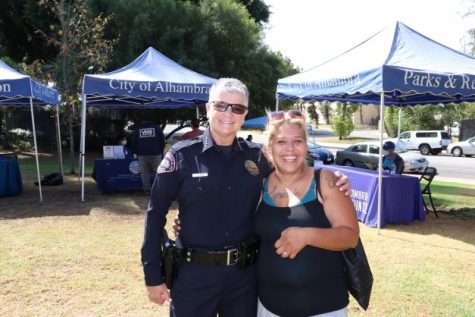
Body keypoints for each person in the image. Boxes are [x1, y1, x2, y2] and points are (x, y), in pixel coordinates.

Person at [141, 78, 352, 317]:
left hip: (244, 279)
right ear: (208, 109)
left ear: (244, 114)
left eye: (237, 108)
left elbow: (293, 169)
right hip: (193, 276)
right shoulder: (181, 157)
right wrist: (153, 277)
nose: (228, 113)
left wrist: (335, 179)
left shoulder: (258, 158)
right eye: (221, 105)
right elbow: (155, 215)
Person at [255, 111, 359, 317]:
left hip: (323, 307)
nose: (290, 149)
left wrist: (307, 235)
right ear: (269, 148)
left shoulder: (326, 181)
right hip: (268, 306)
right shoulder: (259, 185)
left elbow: (350, 236)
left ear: (306, 146)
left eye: (298, 141)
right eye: (281, 142)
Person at [132, 119, 165, 195]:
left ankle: (147, 190)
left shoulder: (138, 129)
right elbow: (162, 141)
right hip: (156, 154)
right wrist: (160, 150)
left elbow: (134, 142)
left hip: (142, 154)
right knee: (159, 172)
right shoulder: (157, 128)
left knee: (144, 173)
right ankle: (159, 189)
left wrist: (136, 152)